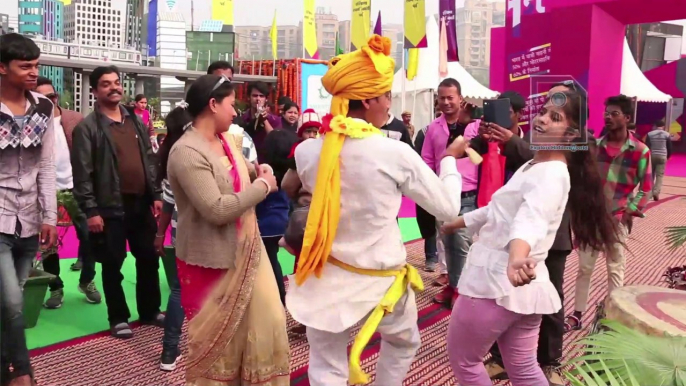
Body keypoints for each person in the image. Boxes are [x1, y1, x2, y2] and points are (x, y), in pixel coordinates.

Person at [284, 35, 465, 386]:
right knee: (403, 341)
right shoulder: (392, 152)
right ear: (368, 100)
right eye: (386, 97)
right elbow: (448, 207)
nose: (389, 105)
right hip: (380, 282)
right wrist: (448, 160)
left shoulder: (307, 151)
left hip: (325, 276)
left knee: (325, 366)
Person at [442, 90, 622, 386]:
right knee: (524, 366)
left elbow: (530, 221)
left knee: (466, 362)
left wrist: (516, 257)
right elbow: (501, 209)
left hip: (498, 282)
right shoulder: (536, 166)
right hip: (523, 286)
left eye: (555, 117)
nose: (541, 120)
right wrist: (456, 223)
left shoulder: (550, 174)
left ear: (571, 135)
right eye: (542, 111)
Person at [166, 74, 289, 385]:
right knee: (217, 345)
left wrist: (259, 170)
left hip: (249, 251)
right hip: (214, 260)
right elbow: (217, 209)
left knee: (268, 323)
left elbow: (242, 169)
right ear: (212, 105)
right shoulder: (187, 152)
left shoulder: (225, 141)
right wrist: (263, 186)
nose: (236, 113)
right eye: (232, 105)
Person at [476, 86, 575, 386]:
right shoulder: (528, 135)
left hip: (549, 236)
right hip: (507, 231)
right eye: (544, 107)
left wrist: (513, 142)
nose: (544, 114)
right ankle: (500, 358)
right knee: (501, 296)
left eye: (554, 108)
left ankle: (550, 361)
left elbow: (547, 162)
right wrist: (486, 140)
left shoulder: (569, 141)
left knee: (549, 299)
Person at [71, 65, 164, 339]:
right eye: (106, 84)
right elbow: (83, 173)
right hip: (108, 207)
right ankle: (118, 317)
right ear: (95, 91)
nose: (114, 87)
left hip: (140, 203)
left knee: (148, 258)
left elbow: (148, 158)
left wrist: (156, 194)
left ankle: (149, 311)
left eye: (116, 82)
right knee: (113, 264)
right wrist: (90, 210)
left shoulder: (134, 119)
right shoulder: (87, 128)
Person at [566, 94, 652, 332]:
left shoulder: (640, 151)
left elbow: (646, 188)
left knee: (615, 269)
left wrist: (628, 213)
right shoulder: (596, 148)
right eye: (606, 113)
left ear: (626, 118)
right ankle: (577, 315)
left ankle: (612, 318)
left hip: (617, 219)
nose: (608, 117)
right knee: (584, 268)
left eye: (614, 113)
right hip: (592, 219)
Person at [0, 32, 57, 386]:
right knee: (12, 305)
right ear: (2, 68)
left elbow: (46, 166)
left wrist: (49, 215)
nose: (33, 72)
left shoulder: (43, 108)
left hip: (30, 220)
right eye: (25, 67)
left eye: (36, 66)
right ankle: (23, 374)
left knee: (10, 304)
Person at [34, 76, 101, 309]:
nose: (48, 102)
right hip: (45, 191)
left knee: (90, 236)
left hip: (78, 189)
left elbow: (92, 155)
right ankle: (55, 287)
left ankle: (88, 281)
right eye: (41, 97)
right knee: (48, 243)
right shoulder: (30, 123)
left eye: (51, 96)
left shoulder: (74, 119)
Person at [422, 78, 481, 308]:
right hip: (442, 192)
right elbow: (427, 159)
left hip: (469, 193)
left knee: (459, 240)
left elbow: (479, 155)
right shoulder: (432, 128)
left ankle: (462, 292)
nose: (446, 102)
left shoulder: (474, 126)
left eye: (450, 97)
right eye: (442, 97)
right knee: (447, 240)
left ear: (460, 98)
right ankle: (454, 286)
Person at [153, 106, 192, 371]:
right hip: (206, 235)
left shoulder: (169, 156)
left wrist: (159, 234)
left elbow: (167, 204)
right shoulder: (196, 152)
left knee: (179, 290)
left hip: (180, 235)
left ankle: (169, 350)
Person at [258, 129, 300, 306]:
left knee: (268, 263)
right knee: (274, 261)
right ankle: (282, 299)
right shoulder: (293, 171)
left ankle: (277, 300)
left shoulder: (265, 171)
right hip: (284, 222)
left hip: (264, 225)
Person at [206, 61, 258, 163]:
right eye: (220, 79)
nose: (225, 84)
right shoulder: (192, 144)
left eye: (228, 80)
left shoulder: (238, 132)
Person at [240, 81, 281, 159]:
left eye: (261, 96)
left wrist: (264, 120)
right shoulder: (242, 119)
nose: (258, 99)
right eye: (255, 96)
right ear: (249, 97)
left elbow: (276, 141)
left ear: (266, 99)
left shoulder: (275, 120)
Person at [645, 119, 672, 201]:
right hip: (662, 156)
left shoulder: (650, 134)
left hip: (652, 156)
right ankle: (656, 192)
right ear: (663, 126)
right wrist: (667, 156)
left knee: (651, 175)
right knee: (659, 176)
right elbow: (670, 147)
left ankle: (649, 194)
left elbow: (647, 146)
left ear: (655, 126)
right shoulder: (667, 134)